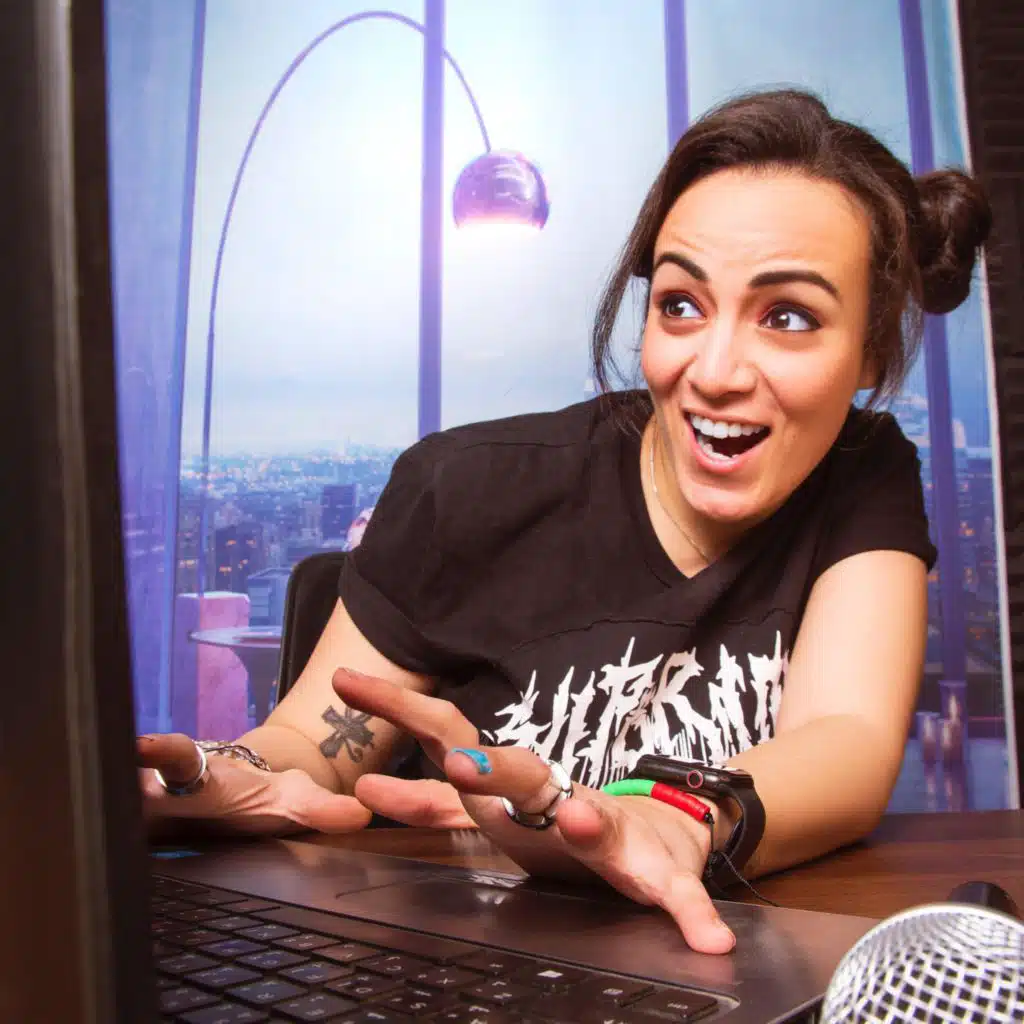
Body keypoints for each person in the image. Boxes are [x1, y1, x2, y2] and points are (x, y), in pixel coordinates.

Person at [139, 89, 991, 954]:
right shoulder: (462, 489)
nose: (716, 371)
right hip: (466, 955)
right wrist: (236, 777)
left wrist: (668, 817)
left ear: (871, 349)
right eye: (681, 304)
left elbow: (845, 735)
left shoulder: (861, 469)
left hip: (705, 962)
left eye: (788, 317)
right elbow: (311, 745)